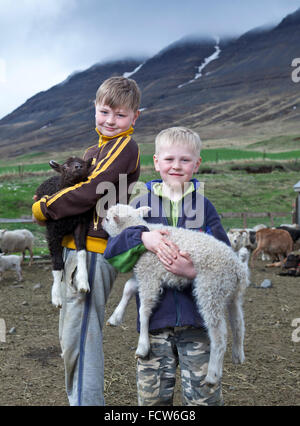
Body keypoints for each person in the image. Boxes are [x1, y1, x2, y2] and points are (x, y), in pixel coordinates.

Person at [32, 76, 141, 406]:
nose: (111, 120)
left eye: (120, 115)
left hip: (93, 251)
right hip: (73, 250)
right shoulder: (94, 150)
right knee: (71, 338)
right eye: (105, 111)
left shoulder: (125, 147)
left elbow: (90, 192)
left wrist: (45, 207)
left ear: (134, 117)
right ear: (95, 109)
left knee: (81, 339)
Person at [104, 126, 231, 406]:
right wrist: (142, 237)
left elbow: (226, 259)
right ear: (156, 162)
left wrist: (196, 273)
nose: (176, 165)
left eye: (185, 160)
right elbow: (114, 254)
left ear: (197, 164)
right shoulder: (138, 205)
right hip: (153, 328)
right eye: (169, 159)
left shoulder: (205, 208)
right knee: (152, 402)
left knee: (203, 399)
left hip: (197, 323)